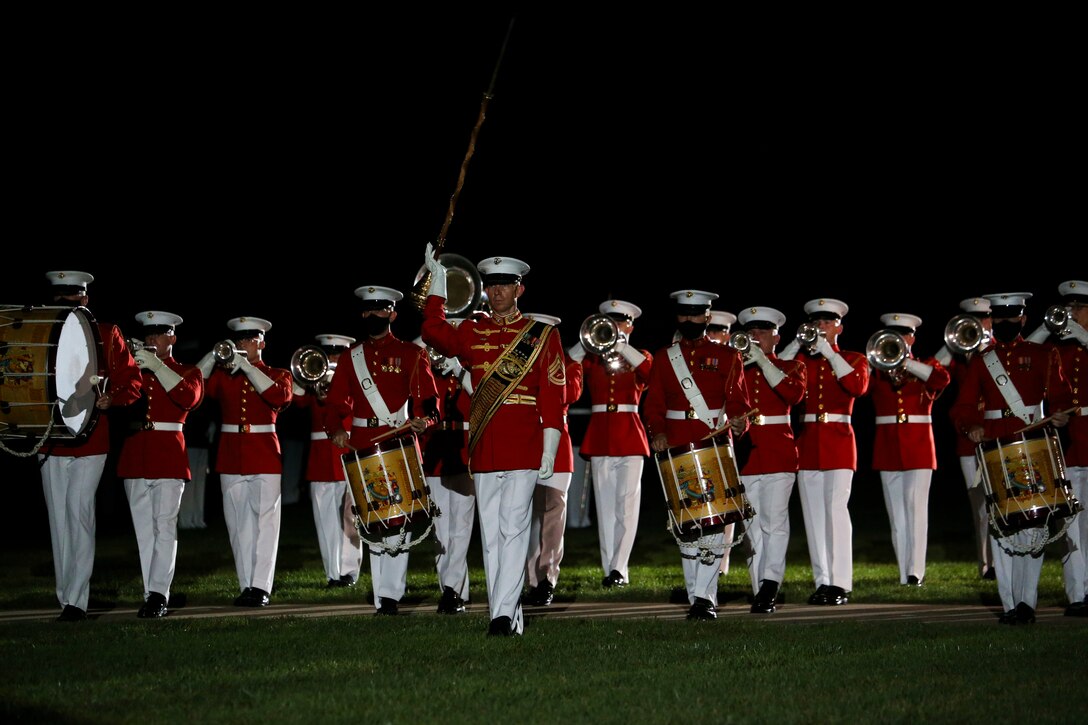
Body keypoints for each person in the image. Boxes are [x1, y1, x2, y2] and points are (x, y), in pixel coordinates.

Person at [420, 248, 566, 637]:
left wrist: (549, 450)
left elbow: (553, 399)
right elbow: (432, 332)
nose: (498, 291)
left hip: (523, 444)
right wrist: (437, 283)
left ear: (520, 289)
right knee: (492, 535)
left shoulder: (541, 335)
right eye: (493, 285)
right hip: (484, 445)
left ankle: (501, 615)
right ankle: (506, 614)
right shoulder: (472, 330)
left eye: (505, 284)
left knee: (514, 529)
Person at [950, 292, 1073, 624]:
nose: (1004, 325)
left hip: (1033, 443)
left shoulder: (1044, 354)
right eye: (998, 320)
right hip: (995, 446)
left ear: (1022, 319)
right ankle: (1009, 605)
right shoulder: (981, 360)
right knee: (1002, 525)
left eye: (1011, 319)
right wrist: (971, 426)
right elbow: (961, 406)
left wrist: (1061, 413)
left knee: (1033, 522)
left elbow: (1061, 396)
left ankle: (1026, 604)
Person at [323, 286, 440, 616]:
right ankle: (383, 595)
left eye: (379, 311)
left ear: (392, 314)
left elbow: (429, 401)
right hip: (362, 442)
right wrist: (335, 430)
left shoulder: (411, 355)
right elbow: (334, 405)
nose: (373, 317)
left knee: (398, 518)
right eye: (367, 312)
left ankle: (391, 594)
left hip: (399, 441)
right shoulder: (350, 357)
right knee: (374, 519)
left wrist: (424, 420)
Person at [38, 271, 143, 622]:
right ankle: (65, 594)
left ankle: (76, 602)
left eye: (74, 298)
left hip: (91, 438)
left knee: (79, 513)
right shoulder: (41, 331)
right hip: (51, 438)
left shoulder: (106, 333)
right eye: (62, 299)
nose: (68, 303)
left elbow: (133, 381)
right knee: (59, 519)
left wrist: (111, 398)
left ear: (85, 299)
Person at [643, 289, 751, 621]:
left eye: (695, 314)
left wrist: (738, 422)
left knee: (716, 522)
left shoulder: (728, 356)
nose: (688, 320)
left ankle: (704, 597)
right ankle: (697, 597)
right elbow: (654, 402)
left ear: (707, 317)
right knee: (687, 526)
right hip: (676, 446)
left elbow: (739, 403)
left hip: (715, 444)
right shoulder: (664, 357)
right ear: (678, 317)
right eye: (683, 314)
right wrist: (657, 431)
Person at [197, 316, 294, 607]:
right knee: (238, 524)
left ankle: (261, 587)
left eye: (248, 339)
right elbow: (195, 387)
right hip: (230, 455)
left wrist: (249, 368)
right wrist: (213, 355)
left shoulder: (278, 374)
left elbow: (279, 396)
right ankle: (246, 584)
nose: (242, 344)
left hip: (264, 453)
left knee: (266, 524)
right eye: (238, 340)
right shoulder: (224, 377)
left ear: (261, 343)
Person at [781, 298, 869, 607]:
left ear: (839, 326)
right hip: (808, 444)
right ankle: (823, 581)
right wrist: (797, 341)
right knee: (814, 518)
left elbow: (856, 387)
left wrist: (829, 350)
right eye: (816, 322)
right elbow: (778, 372)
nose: (821, 326)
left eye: (827, 321)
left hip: (839, 441)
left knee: (835, 512)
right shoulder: (803, 362)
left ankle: (841, 583)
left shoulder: (854, 358)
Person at [116, 311, 204, 618]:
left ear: (172, 338)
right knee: (144, 530)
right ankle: (150, 591)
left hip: (168, 455)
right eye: (148, 335)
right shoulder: (134, 372)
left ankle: (158, 594)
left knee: (164, 526)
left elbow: (188, 398)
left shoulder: (188, 371)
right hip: (136, 453)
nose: (152, 340)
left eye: (159, 334)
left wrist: (156, 365)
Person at [566, 299, 653, 589]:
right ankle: (610, 569)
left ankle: (619, 568)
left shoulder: (638, 355)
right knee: (604, 509)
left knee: (626, 506)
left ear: (630, 325)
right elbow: (566, 364)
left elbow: (652, 373)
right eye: (609, 322)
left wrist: (622, 346)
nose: (614, 327)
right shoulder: (593, 359)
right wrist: (587, 340)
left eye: (619, 322)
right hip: (601, 435)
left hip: (630, 435)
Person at [1017, 280, 1088, 616]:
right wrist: (1049, 326)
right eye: (1068, 309)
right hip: (1069, 443)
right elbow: (1020, 353)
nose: (1071, 315)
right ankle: (1078, 596)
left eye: (1078, 309)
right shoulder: (1056, 349)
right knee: (1072, 523)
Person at [868, 313, 950, 587]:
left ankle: (916, 571)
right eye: (893, 334)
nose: (898, 339)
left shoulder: (925, 365)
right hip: (887, 445)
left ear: (912, 338)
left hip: (918, 445)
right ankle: (904, 572)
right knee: (896, 515)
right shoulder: (877, 367)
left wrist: (907, 363)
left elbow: (941, 380)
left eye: (904, 334)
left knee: (916, 509)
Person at [734, 306, 806, 614]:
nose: (754, 336)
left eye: (762, 332)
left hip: (778, 450)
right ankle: (758, 587)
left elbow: (793, 395)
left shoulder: (792, 366)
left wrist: (763, 361)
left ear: (776, 337)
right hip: (749, 452)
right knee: (751, 524)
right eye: (751, 332)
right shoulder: (736, 368)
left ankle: (770, 584)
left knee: (775, 522)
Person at [291, 334, 362, 589]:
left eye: (337, 354)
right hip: (321, 455)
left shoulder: (353, 378)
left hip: (347, 450)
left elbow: (345, 408)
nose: (332, 360)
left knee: (351, 516)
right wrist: (305, 379)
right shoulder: (315, 377)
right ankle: (333, 572)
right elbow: (295, 400)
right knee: (324, 518)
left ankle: (349, 571)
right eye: (328, 354)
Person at [523, 313, 582, 607]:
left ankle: (546, 578)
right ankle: (526, 577)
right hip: (522, 446)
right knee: (521, 519)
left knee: (552, 518)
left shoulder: (570, 366)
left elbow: (567, 393)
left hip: (556, 449)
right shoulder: (515, 364)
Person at [936, 296, 997, 579]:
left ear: (991, 320)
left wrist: (984, 344)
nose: (977, 324)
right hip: (966, 438)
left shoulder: (1000, 350)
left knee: (1000, 501)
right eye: (972, 320)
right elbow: (935, 372)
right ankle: (986, 564)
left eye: (982, 318)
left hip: (996, 433)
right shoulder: (959, 357)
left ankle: (1001, 560)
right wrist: (954, 343)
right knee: (979, 506)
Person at [415, 334, 476, 614]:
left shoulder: (471, 367)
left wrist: (459, 368)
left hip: (463, 451)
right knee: (440, 530)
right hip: (435, 453)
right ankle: (452, 591)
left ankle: (452, 590)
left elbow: (480, 394)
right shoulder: (427, 367)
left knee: (461, 527)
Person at [705, 309, 740, 578]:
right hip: (698, 433)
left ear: (728, 334)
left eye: (719, 331)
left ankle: (723, 560)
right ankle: (704, 556)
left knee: (726, 501)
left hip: (724, 433)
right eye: (711, 330)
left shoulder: (732, 359)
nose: (714, 336)